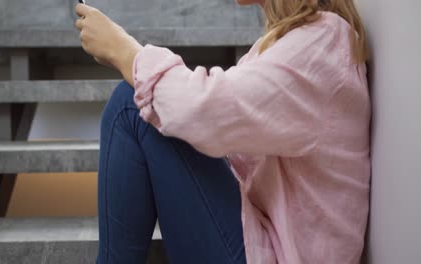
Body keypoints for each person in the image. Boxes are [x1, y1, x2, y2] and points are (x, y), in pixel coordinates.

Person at [75, 0, 371, 263]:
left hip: (277, 253)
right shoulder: (295, 42)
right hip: (265, 240)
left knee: (130, 106)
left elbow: (203, 110)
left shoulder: (323, 41)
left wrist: (124, 50)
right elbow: (222, 129)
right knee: (143, 106)